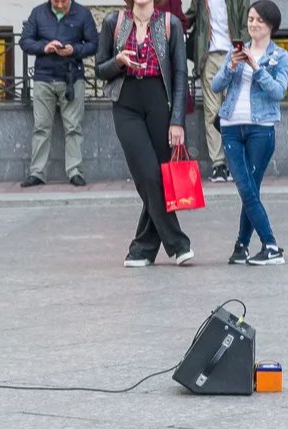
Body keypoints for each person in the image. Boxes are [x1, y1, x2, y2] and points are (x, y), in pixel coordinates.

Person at [97, 0, 194, 268]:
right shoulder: (113, 22)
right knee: (147, 175)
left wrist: (178, 121)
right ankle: (178, 243)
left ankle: (142, 248)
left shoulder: (169, 23)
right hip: (126, 102)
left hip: (158, 102)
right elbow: (99, 69)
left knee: (159, 178)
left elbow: (180, 74)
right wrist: (117, 61)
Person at [211, 0, 288, 265]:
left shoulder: (279, 56)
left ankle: (257, 245)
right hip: (231, 126)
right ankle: (258, 245)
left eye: (259, 20)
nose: (253, 24)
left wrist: (257, 69)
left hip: (261, 128)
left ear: (271, 25)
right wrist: (231, 65)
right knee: (246, 187)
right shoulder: (238, 51)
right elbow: (215, 85)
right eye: (250, 19)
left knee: (250, 188)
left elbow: (278, 91)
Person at [17, 0, 99, 188]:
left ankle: (75, 172)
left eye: (64, 1)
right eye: (56, 1)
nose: (60, 5)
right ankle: (37, 173)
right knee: (41, 128)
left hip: (72, 77)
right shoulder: (38, 13)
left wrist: (74, 50)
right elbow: (25, 41)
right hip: (44, 77)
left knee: (73, 127)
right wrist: (44, 47)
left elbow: (94, 44)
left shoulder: (82, 14)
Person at [185, 0, 249, 182]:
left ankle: (235, 161)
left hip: (233, 55)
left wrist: (241, 51)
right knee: (212, 111)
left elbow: (246, 24)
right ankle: (218, 164)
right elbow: (189, 17)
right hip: (209, 57)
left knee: (234, 111)